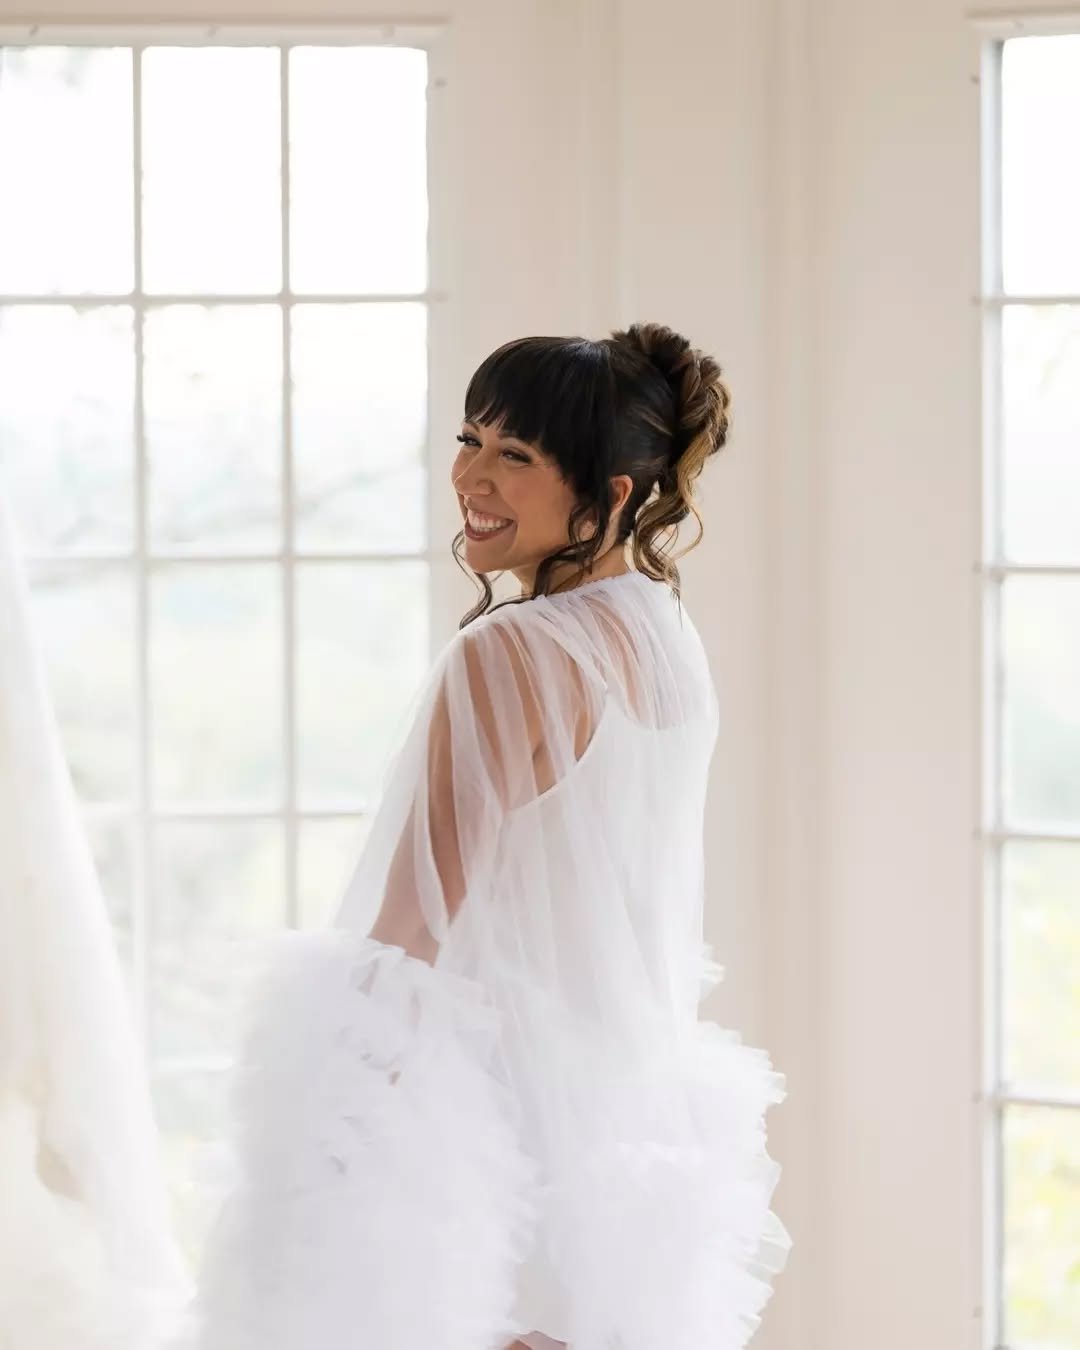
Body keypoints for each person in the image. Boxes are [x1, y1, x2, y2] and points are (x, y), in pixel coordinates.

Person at [183, 322, 792, 1350]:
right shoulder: (663, 634)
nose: (472, 475)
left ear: (614, 494)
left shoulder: (511, 654)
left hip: (492, 1134)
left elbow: (410, 928)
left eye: (518, 456)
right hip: (622, 1131)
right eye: (470, 438)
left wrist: (325, 1139)